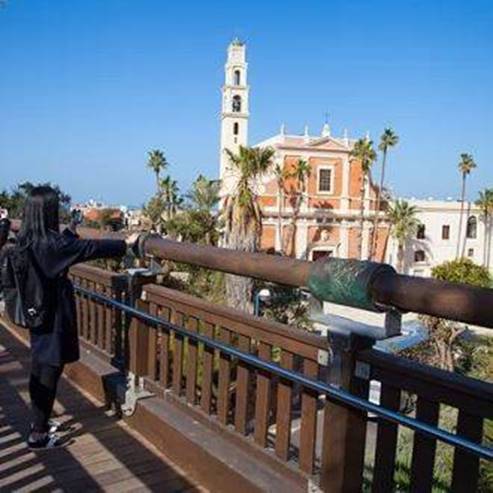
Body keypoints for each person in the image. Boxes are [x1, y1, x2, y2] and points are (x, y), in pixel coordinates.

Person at [15, 186, 138, 449]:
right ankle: (38, 435)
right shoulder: (52, 244)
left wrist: (70, 232)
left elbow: (67, 247)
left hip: (36, 313)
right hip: (53, 315)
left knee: (40, 366)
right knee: (49, 370)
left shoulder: (27, 238)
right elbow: (89, 248)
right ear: (48, 211)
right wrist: (124, 243)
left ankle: (40, 422)